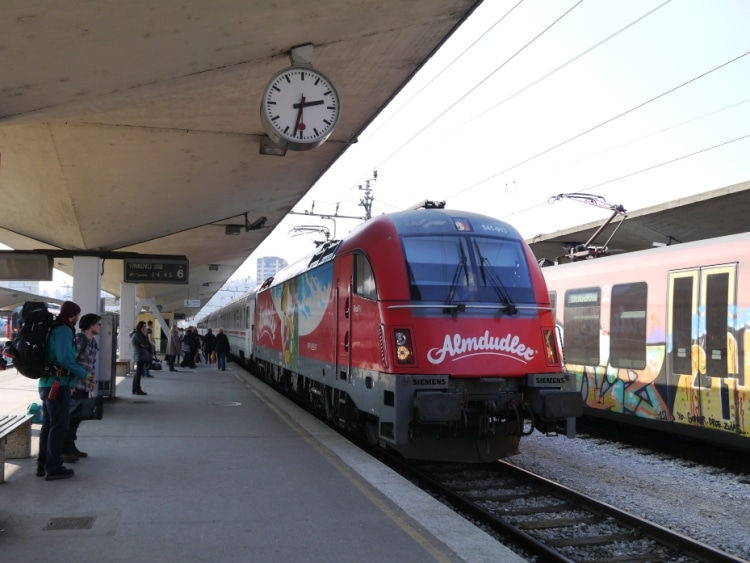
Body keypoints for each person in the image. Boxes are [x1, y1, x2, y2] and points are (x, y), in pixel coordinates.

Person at [37, 301, 92, 481]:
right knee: (59, 427)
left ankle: (42, 465)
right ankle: (53, 468)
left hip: (47, 383)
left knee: (48, 426)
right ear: (72, 315)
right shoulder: (63, 330)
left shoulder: (53, 327)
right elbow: (64, 358)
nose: (77, 318)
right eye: (77, 314)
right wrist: (84, 374)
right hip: (58, 385)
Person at [63, 313, 101, 463]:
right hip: (75, 386)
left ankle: (71, 447)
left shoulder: (93, 343)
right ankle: (65, 450)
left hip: (84, 386)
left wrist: (92, 381)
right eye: (98, 323)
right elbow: (71, 362)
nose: (100, 326)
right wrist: (71, 385)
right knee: (71, 418)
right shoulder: (80, 340)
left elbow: (90, 366)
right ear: (91, 325)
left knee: (78, 417)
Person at [129, 321, 150, 395]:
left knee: (138, 372)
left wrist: (144, 345)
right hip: (139, 355)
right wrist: (145, 335)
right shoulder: (137, 335)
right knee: (138, 373)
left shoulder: (137, 334)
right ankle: (137, 389)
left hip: (140, 354)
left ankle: (135, 388)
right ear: (140, 327)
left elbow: (145, 344)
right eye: (143, 327)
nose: (145, 328)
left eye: (145, 327)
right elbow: (145, 342)